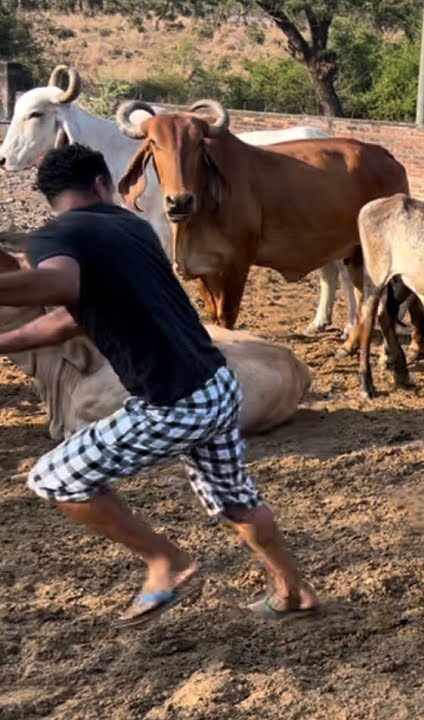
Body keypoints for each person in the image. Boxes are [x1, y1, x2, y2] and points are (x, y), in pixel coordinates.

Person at [0, 143, 318, 627]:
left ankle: (165, 560)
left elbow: (59, 287)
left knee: (54, 479)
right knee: (236, 500)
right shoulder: (132, 226)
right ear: (104, 183)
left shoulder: (54, 237)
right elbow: (70, 317)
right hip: (218, 386)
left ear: (49, 197)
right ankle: (293, 590)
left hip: (173, 404)